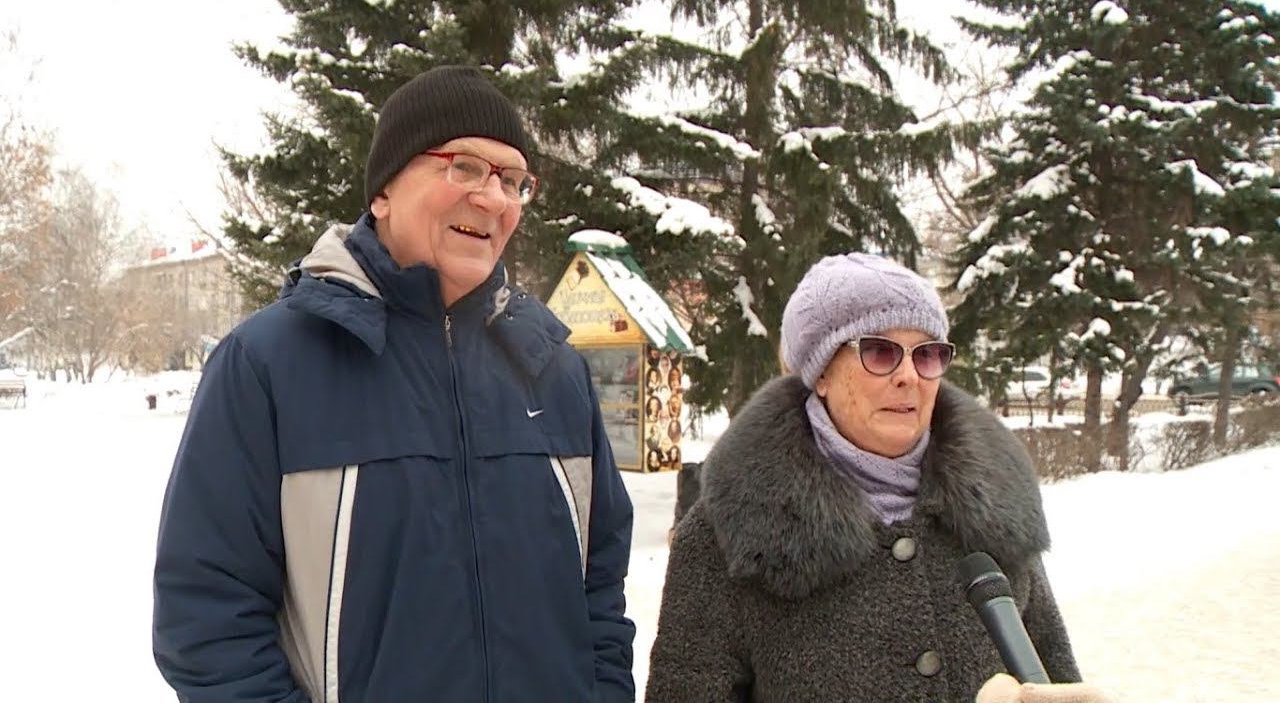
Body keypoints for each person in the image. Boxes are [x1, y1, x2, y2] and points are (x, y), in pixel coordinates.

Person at [153, 65, 636, 702]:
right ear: (383, 192)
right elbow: (207, 622)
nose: (494, 199)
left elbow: (598, 592)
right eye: (464, 166)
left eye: (514, 181)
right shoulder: (269, 365)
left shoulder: (552, 370)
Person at [646, 253, 1100, 702]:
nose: (908, 377)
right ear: (820, 374)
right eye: (880, 351)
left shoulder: (996, 510)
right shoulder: (728, 535)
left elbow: (1054, 670)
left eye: (927, 355)